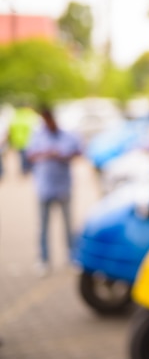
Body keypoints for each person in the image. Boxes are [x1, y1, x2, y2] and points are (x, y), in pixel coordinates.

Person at [26, 106, 82, 276]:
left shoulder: (68, 135)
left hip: (63, 186)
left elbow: (78, 152)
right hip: (44, 187)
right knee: (43, 226)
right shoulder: (37, 135)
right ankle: (44, 259)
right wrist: (45, 154)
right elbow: (29, 155)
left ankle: (72, 257)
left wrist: (61, 155)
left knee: (67, 225)